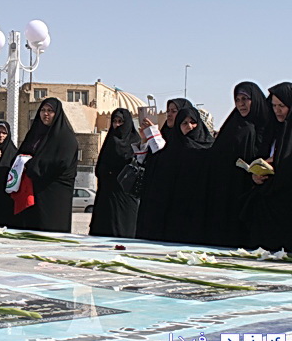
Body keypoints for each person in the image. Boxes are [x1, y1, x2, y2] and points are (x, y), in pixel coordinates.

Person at [205, 82, 272, 247]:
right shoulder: (235, 125)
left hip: (258, 192)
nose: (241, 104)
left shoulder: (270, 125)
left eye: (245, 99)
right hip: (230, 190)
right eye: (237, 100)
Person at [137, 107, 214, 243]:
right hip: (175, 210)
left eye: (193, 122)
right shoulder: (172, 149)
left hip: (199, 208)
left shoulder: (208, 149)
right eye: (184, 123)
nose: (189, 126)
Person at [241, 82, 292, 251]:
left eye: (281, 106)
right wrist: (257, 175)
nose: (277, 110)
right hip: (268, 197)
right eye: (274, 106)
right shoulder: (274, 130)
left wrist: (279, 163)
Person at [15, 98, 78, 233]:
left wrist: (32, 165)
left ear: (57, 114)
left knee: (50, 232)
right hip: (33, 190)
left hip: (55, 193)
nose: (46, 114)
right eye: (43, 110)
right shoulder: (35, 133)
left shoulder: (65, 137)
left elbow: (61, 162)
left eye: (50, 111)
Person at [89, 108, 141, 238]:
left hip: (126, 199)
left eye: (120, 121)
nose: (117, 125)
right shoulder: (109, 142)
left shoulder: (136, 143)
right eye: (115, 121)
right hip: (106, 198)